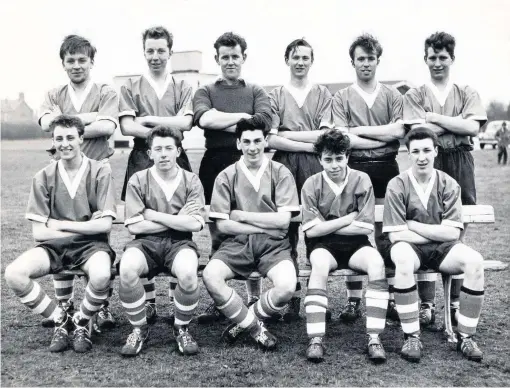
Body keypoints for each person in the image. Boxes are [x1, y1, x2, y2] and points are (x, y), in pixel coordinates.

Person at [5, 115, 117, 353]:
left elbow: (104, 226)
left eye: (70, 137)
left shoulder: (100, 171)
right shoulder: (43, 176)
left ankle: (82, 321)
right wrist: (84, 224)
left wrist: (59, 223)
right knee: (14, 274)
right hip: (54, 246)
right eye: (59, 138)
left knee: (100, 275)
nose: (64, 143)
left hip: (92, 246)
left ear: (81, 139)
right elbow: (38, 232)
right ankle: (61, 320)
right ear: (53, 141)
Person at [403, 31, 487, 328]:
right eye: (432, 57)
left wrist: (435, 118)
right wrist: (456, 125)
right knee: (425, 230)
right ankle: (427, 304)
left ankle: (453, 302)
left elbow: (472, 129)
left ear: (452, 58)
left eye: (442, 57)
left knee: (454, 233)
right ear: (424, 59)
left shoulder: (466, 91)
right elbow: (420, 136)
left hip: (460, 161)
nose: (437, 63)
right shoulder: (416, 94)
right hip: (427, 162)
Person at [381, 127, 485, 363]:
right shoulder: (397, 184)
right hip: (410, 248)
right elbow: (397, 236)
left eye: (427, 150)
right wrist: (436, 233)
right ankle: (412, 336)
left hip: (441, 249)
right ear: (408, 154)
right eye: (415, 151)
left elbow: (452, 233)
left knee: (475, 262)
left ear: (436, 151)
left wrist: (413, 226)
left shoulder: (448, 183)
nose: (422, 157)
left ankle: (466, 337)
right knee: (403, 259)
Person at [38, 34, 119, 329]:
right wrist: (88, 119)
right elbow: (48, 123)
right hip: (60, 170)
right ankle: (64, 302)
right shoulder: (53, 92)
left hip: (97, 169)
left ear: (91, 62)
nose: (76, 65)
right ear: (63, 63)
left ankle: (103, 304)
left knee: (100, 233)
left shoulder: (105, 90)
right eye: (70, 60)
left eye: (82, 60)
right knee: (60, 233)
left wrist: (67, 120)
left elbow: (109, 125)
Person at [193, 32, 272, 323]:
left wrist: (228, 118)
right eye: (224, 57)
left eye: (234, 56)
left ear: (243, 58)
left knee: (252, 220)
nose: (229, 61)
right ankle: (221, 299)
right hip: (214, 162)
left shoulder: (256, 90)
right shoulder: (205, 91)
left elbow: (263, 124)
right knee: (219, 227)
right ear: (217, 59)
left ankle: (254, 296)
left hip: (251, 162)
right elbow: (204, 120)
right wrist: (244, 119)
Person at [202, 117, 300, 350]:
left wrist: (243, 216)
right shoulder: (226, 175)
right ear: (238, 144)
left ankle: (242, 321)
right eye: (246, 141)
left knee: (287, 286)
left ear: (266, 141)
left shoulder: (280, 172)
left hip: (273, 245)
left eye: (258, 140)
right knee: (210, 276)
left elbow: (284, 221)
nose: (253, 147)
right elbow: (223, 226)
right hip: (236, 244)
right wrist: (267, 224)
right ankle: (254, 328)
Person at [119, 26, 194, 321]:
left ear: (170, 52)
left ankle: (179, 298)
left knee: (181, 220)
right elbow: (127, 127)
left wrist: (148, 119)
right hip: (140, 157)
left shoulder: (183, 86)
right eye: (150, 50)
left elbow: (185, 125)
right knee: (142, 221)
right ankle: (149, 300)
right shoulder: (131, 87)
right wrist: (166, 131)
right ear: (144, 52)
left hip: (177, 157)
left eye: (161, 50)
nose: (155, 56)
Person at [331, 34, 404, 322]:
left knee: (387, 232)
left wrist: (358, 133)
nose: (365, 63)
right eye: (360, 58)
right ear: (353, 62)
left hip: (387, 167)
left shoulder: (393, 95)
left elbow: (398, 133)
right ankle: (353, 300)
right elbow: (341, 137)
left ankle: (393, 297)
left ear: (378, 61)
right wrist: (379, 136)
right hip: (356, 170)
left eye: (370, 58)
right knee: (357, 231)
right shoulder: (342, 96)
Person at [301, 130, 389, 363]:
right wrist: (347, 218)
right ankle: (316, 338)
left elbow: (365, 228)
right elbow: (312, 231)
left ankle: (374, 337)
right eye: (328, 159)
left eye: (339, 158)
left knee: (377, 264)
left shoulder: (361, 179)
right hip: (322, 246)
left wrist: (326, 224)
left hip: (356, 245)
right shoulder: (311, 184)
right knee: (319, 265)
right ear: (319, 159)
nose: (334, 165)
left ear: (347, 157)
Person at [118, 126, 205, 357]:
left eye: (169, 148)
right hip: (145, 243)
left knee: (187, 273)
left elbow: (195, 224)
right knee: (126, 268)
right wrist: (178, 219)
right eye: (158, 149)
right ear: (150, 154)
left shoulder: (191, 180)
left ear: (178, 151)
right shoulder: (138, 179)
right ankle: (139, 328)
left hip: (180, 244)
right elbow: (135, 226)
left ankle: (181, 327)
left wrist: (153, 215)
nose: (164, 154)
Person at [267, 38, 334, 321]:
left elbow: (326, 136)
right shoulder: (275, 96)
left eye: (305, 57)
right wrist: (309, 143)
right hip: (284, 166)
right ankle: (292, 296)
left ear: (311, 61)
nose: (300, 62)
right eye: (295, 57)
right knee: (287, 229)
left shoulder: (322, 94)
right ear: (287, 60)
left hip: (315, 167)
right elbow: (271, 138)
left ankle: (318, 297)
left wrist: (288, 136)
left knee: (318, 226)